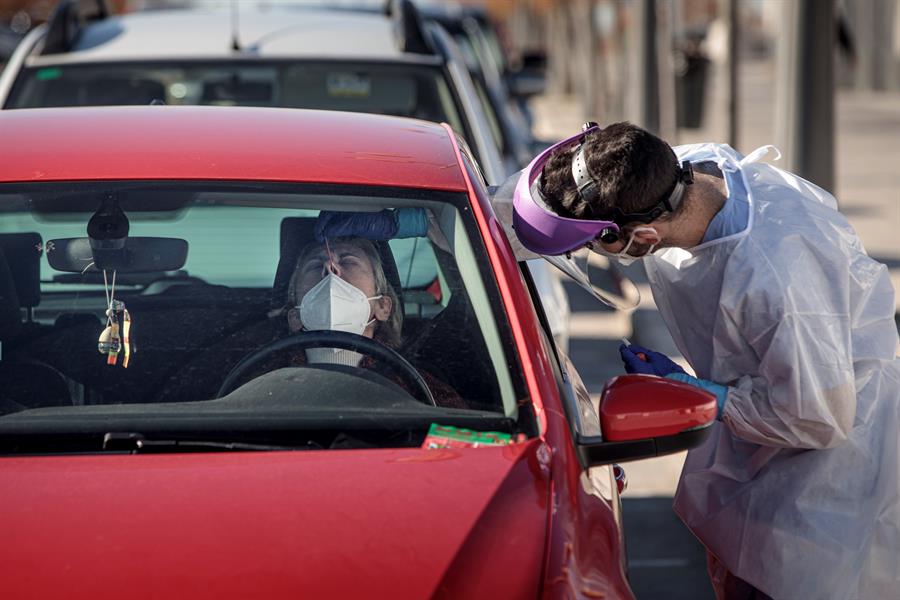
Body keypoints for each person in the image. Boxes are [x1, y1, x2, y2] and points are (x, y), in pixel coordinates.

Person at [520, 121, 900, 600]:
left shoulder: (777, 276)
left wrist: (707, 397)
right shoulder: (673, 173)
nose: (591, 252)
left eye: (597, 244)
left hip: (824, 489)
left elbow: (819, 416)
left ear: (643, 237)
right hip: (759, 448)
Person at [280, 234, 464, 409]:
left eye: (348, 261)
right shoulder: (260, 378)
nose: (330, 268)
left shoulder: (421, 388)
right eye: (314, 265)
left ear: (383, 307)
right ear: (294, 317)